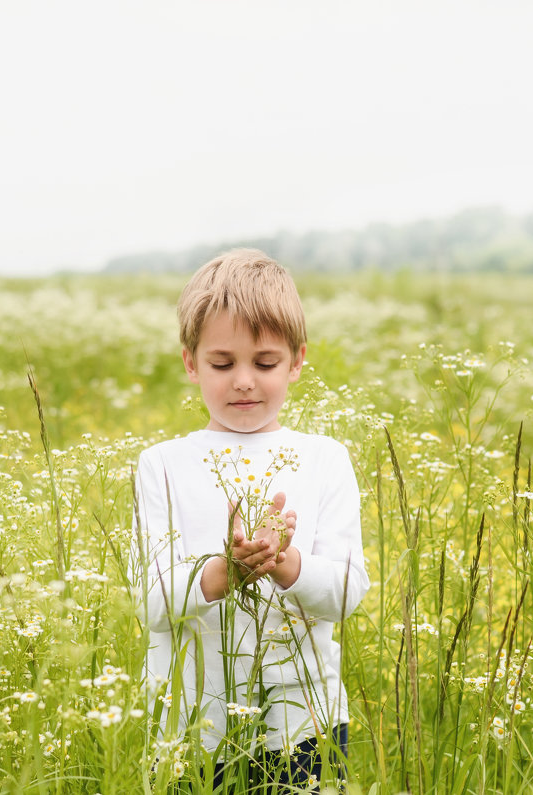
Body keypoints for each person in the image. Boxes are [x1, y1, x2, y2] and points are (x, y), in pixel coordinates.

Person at [133, 249, 371, 790]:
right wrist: (223, 571)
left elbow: (347, 591)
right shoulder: (162, 465)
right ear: (191, 362)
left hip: (304, 724)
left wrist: (286, 564)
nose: (244, 380)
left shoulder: (323, 458)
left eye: (264, 363)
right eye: (222, 363)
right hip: (191, 727)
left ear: (297, 360)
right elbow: (151, 600)